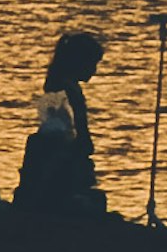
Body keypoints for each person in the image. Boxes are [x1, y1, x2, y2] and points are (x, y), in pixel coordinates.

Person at [16, 25, 106, 218]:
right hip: (63, 157)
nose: (94, 70)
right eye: (92, 64)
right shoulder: (63, 92)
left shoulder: (66, 88)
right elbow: (67, 129)